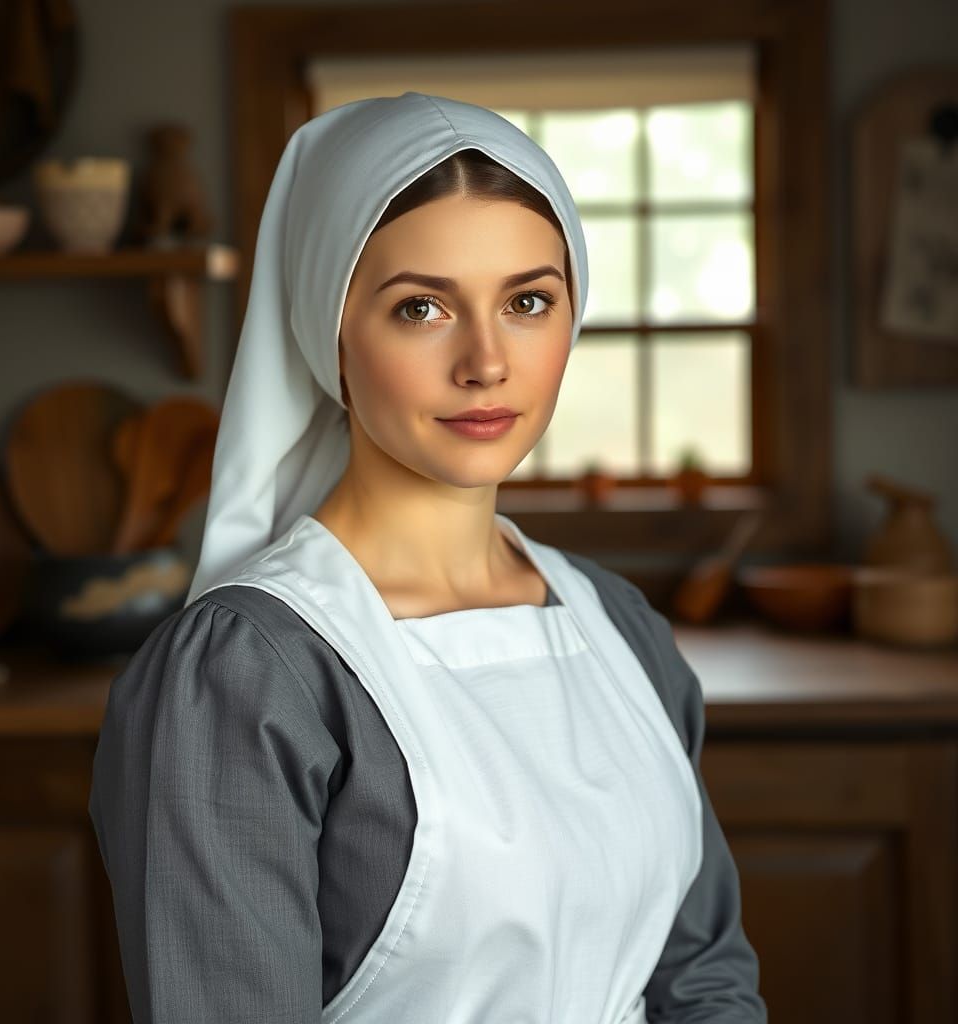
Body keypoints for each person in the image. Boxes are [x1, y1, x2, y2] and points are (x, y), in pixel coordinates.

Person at [88, 91, 767, 1024]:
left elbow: (703, 979)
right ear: (328, 328)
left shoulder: (618, 627)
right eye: (421, 309)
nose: (487, 362)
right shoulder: (246, 675)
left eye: (528, 301)